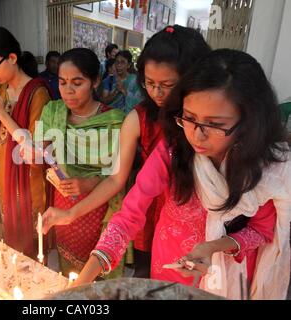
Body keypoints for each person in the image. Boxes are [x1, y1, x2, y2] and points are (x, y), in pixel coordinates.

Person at [74, 49, 291, 300]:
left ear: (249, 120)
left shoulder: (266, 168)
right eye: (189, 118)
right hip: (171, 267)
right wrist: (83, 282)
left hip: (231, 276)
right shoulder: (173, 152)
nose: (196, 136)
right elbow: (130, 213)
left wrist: (215, 246)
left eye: (215, 124)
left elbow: (262, 230)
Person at [42, 25, 212, 279]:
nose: (157, 93)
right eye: (150, 83)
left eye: (167, 84)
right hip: (147, 211)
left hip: (208, 227)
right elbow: (116, 179)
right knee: (149, 278)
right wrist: (70, 214)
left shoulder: (211, 122)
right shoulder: (139, 119)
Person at [36, 48, 125, 275]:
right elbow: (39, 149)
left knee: (98, 266)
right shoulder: (54, 111)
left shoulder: (114, 121)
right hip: (64, 197)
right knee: (70, 269)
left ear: (95, 81)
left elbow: (122, 173)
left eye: (77, 82)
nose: (68, 91)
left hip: (101, 205)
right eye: (63, 82)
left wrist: (90, 182)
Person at [0, 27, 51, 258]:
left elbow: (34, 152)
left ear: (12, 57)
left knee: (32, 242)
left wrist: (1, 113)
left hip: (30, 180)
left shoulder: (37, 93)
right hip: (5, 176)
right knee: (12, 241)